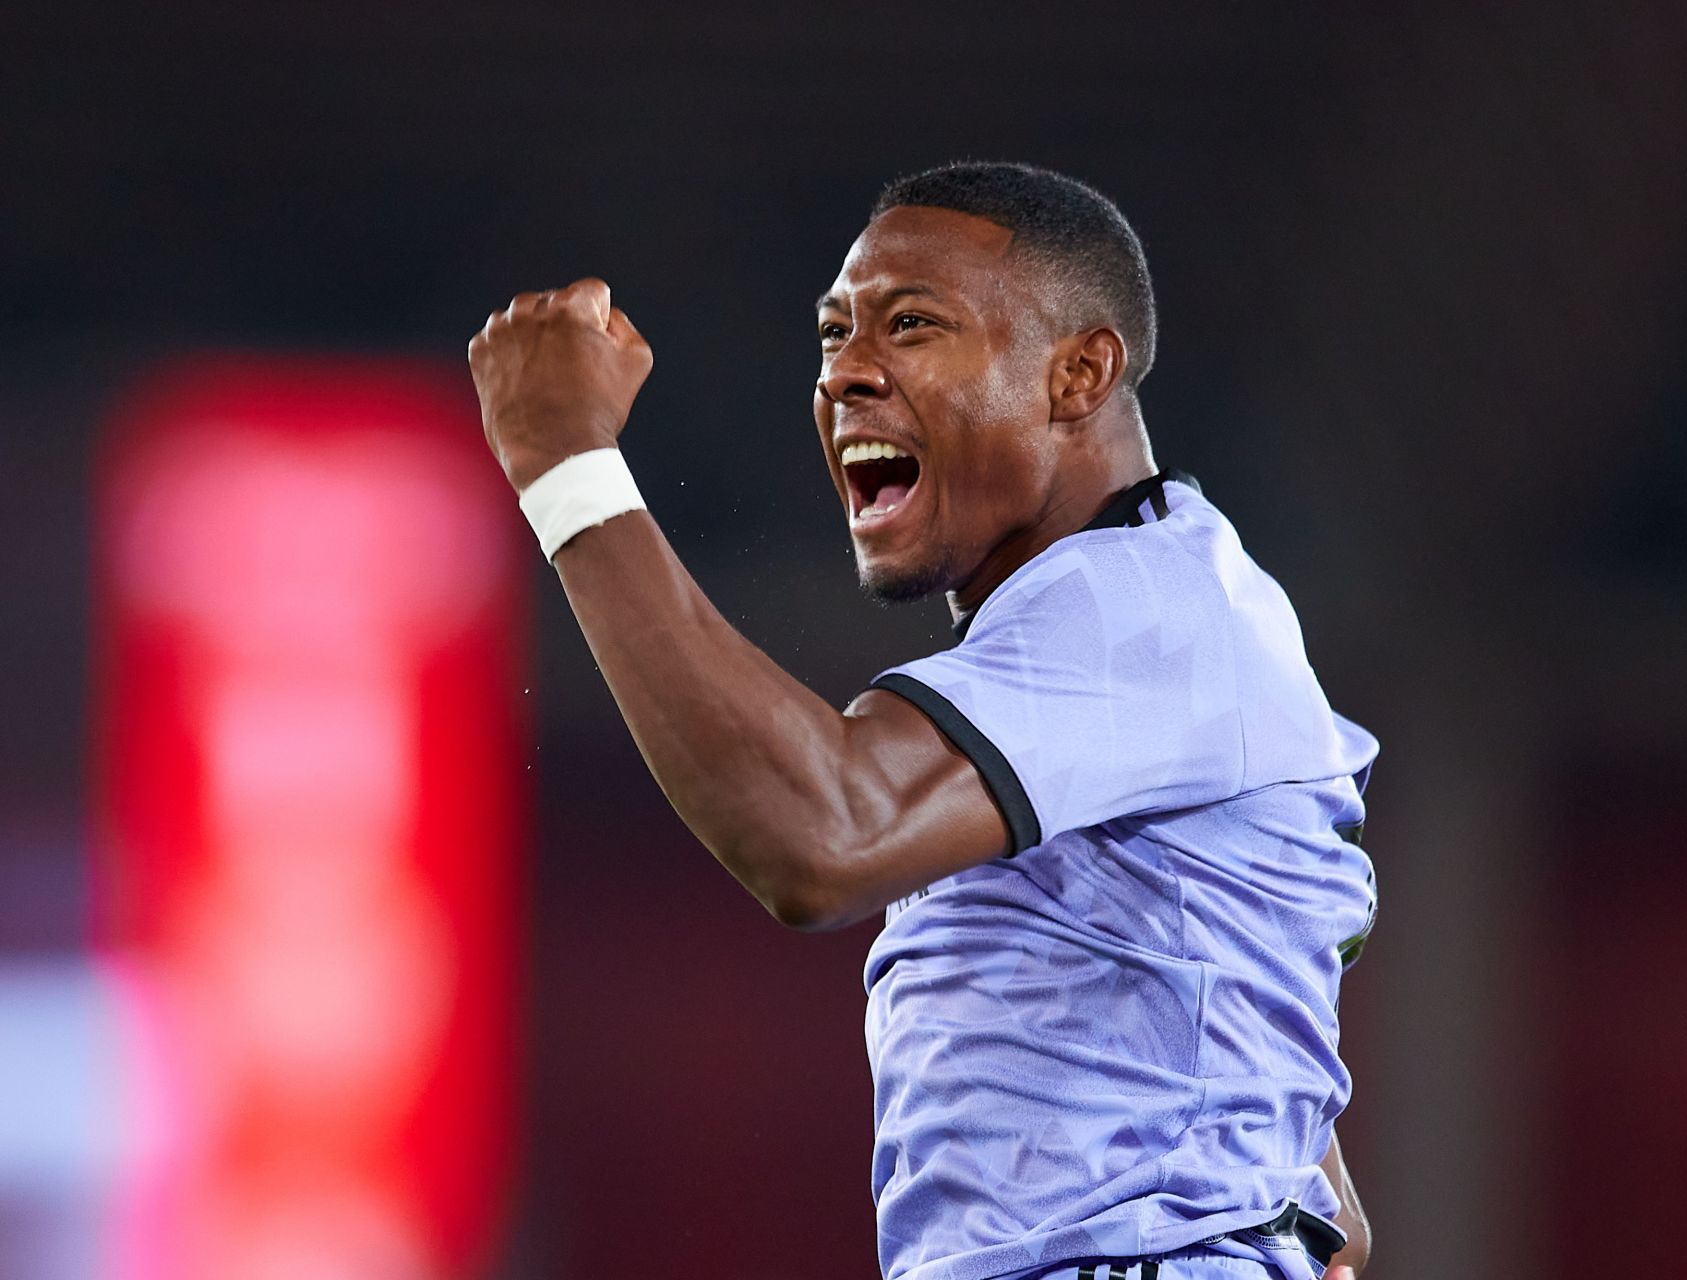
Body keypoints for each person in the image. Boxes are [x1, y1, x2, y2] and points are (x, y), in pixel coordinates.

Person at [468, 161, 1378, 1280]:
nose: (847, 373)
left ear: (1079, 373)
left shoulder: (1135, 603)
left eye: (911, 325)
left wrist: (570, 471)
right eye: (833, 334)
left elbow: (824, 834)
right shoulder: (1171, 599)